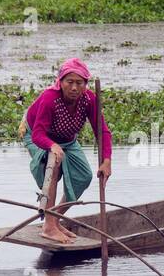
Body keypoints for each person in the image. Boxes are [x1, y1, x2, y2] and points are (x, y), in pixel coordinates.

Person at [19, 58, 112, 244]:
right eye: (69, 82)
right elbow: (38, 134)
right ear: (60, 82)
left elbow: (102, 131)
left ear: (85, 85)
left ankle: (53, 219)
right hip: (37, 136)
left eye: (79, 83)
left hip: (68, 140)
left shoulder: (89, 100)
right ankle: (49, 228)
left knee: (84, 177)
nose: (74, 88)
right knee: (54, 165)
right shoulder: (49, 98)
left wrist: (107, 161)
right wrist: (52, 146)